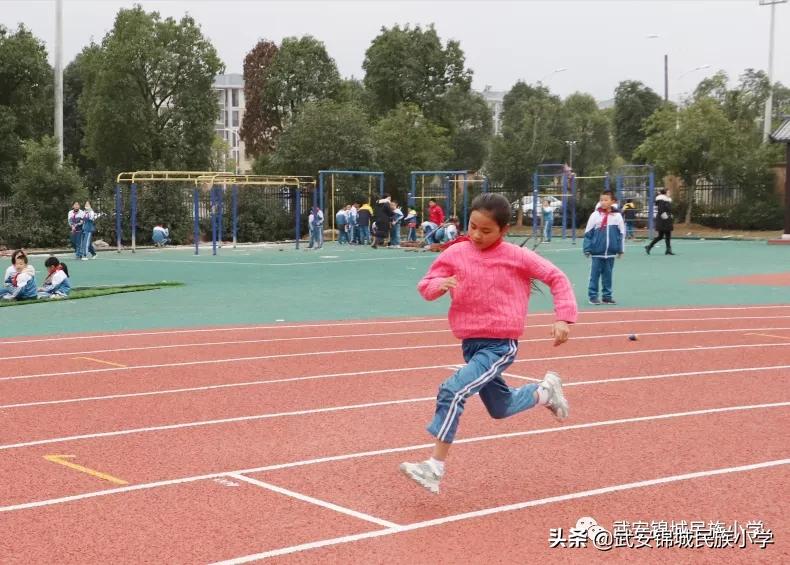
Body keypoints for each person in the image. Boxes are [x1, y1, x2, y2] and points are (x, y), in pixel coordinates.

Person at [399, 193, 578, 494]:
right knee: (501, 406)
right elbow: (426, 285)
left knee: (452, 391)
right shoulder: (456, 254)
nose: (477, 235)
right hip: (470, 344)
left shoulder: (516, 256)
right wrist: (438, 286)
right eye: (472, 227)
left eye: (486, 230)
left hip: (499, 345)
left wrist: (564, 318)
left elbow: (556, 278)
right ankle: (545, 392)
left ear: (503, 231)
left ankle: (434, 467)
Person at [583, 190, 625, 305]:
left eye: (606, 200)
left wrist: (620, 249)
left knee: (608, 275)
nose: (603, 202)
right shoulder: (595, 215)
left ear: (612, 201)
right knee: (594, 275)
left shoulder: (617, 216)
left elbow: (622, 234)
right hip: (597, 252)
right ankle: (593, 296)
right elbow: (588, 233)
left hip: (610, 252)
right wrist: (587, 248)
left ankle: (607, 296)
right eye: (601, 200)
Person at [645, 189, 675, 255]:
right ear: (665, 193)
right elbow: (661, 210)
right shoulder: (662, 200)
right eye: (668, 192)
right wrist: (666, 216)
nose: (670, 193)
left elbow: (668, 209)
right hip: (663, 219)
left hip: (666, 218)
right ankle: (649, 247)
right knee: (662, 236)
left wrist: (670, 215)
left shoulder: (667, 200)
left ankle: (668, 250)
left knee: (666, 235)